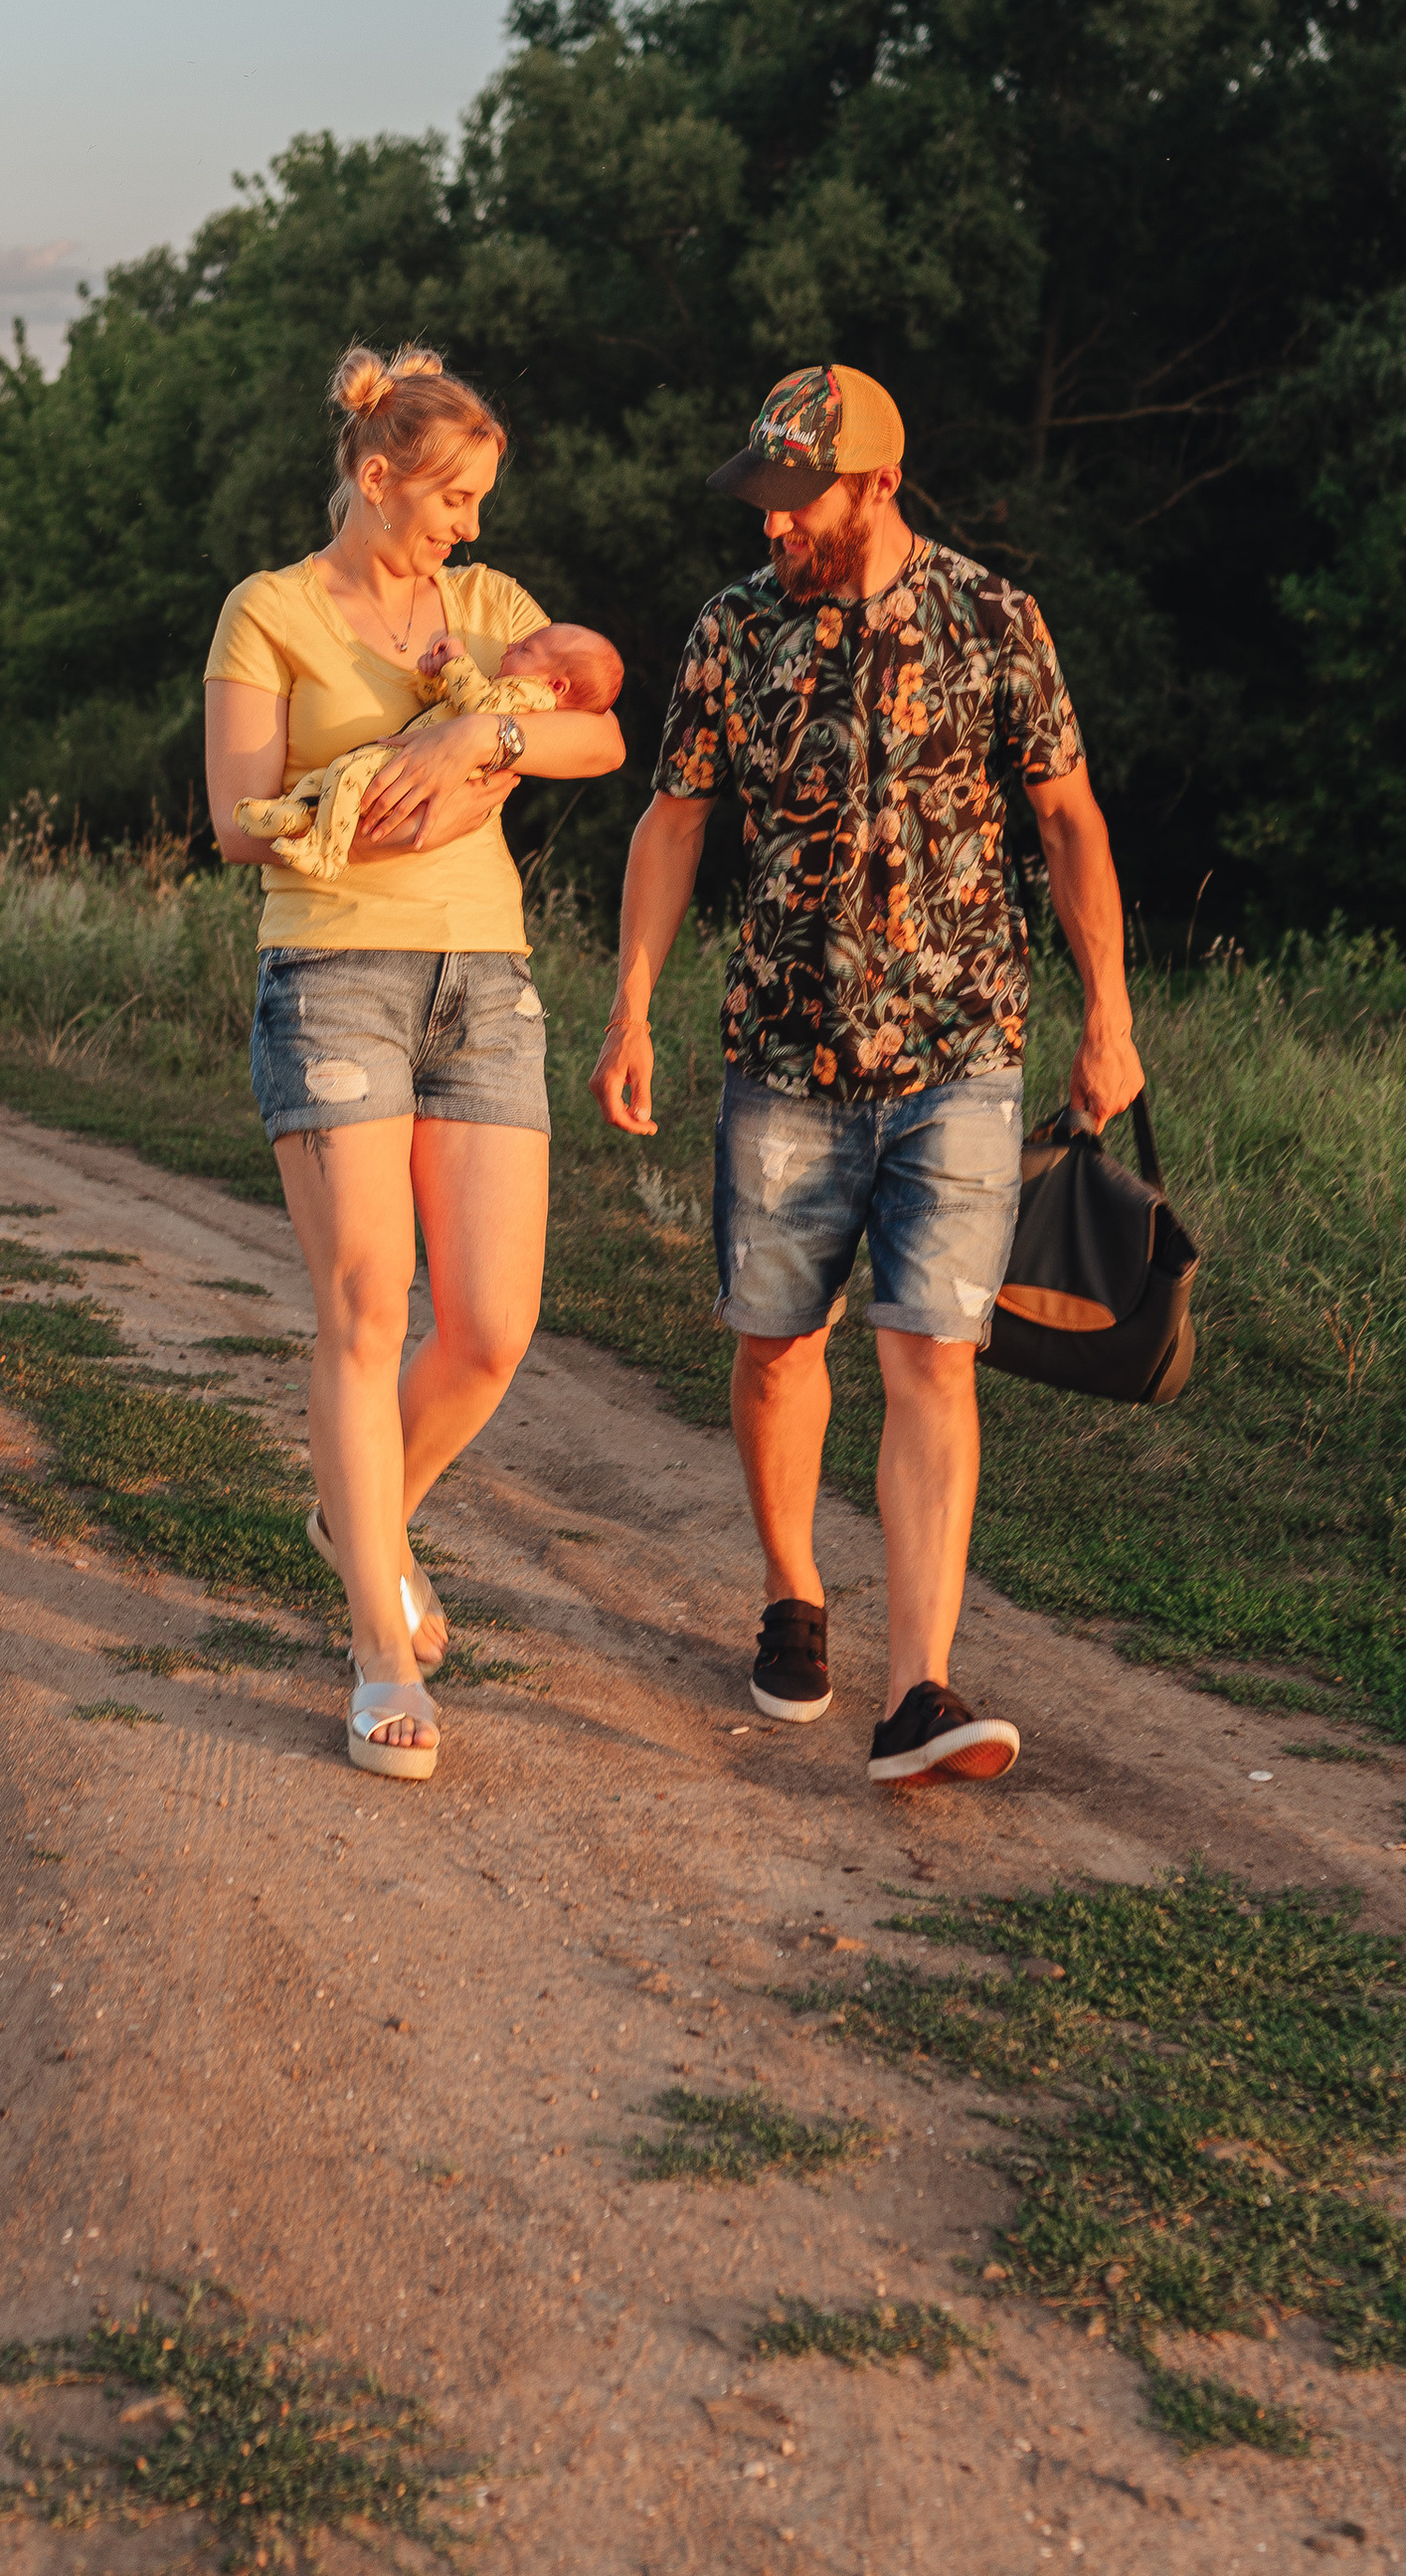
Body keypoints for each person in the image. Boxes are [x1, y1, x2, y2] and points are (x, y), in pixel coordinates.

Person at [589, 361, 1142, 1792]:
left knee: (933, 1354)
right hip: (783, 1050)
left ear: (880, 484)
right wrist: (631, 1008)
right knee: (778, 1343)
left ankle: (917, 1693)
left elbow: (1069, 822)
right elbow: (673, 822)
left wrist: (1109, 1016)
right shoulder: (732, 630)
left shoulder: (996, 620)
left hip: (962, 1053)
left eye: (798, 499)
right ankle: (793, 1593)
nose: (773, 523)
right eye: (762, 499)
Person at [206, 344, 626, 1782]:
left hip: (484, 980)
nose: (472, 523)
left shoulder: (489, 609)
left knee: (492, 1328)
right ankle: (381, 1648)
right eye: (454, 497)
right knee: (367, 1308)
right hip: (332, 976)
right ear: (377, 478)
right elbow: (236, 823)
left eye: (480, 500)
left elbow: (598, 734)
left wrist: (478, 737)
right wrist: (359, 797)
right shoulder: (268, 611)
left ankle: (359, 1512)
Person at [235, 621, 624, 881]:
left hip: (412, 764)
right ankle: (295, 815)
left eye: (525, 648)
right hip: (411, 756)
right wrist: (435, 677)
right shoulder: (512, 686)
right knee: (330, 778)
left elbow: (480, 709)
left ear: (556, 686)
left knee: (345, 773)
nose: (511, 644)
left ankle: (326, 853)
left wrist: (457, 661)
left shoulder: (530, 697)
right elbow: (449, 705)